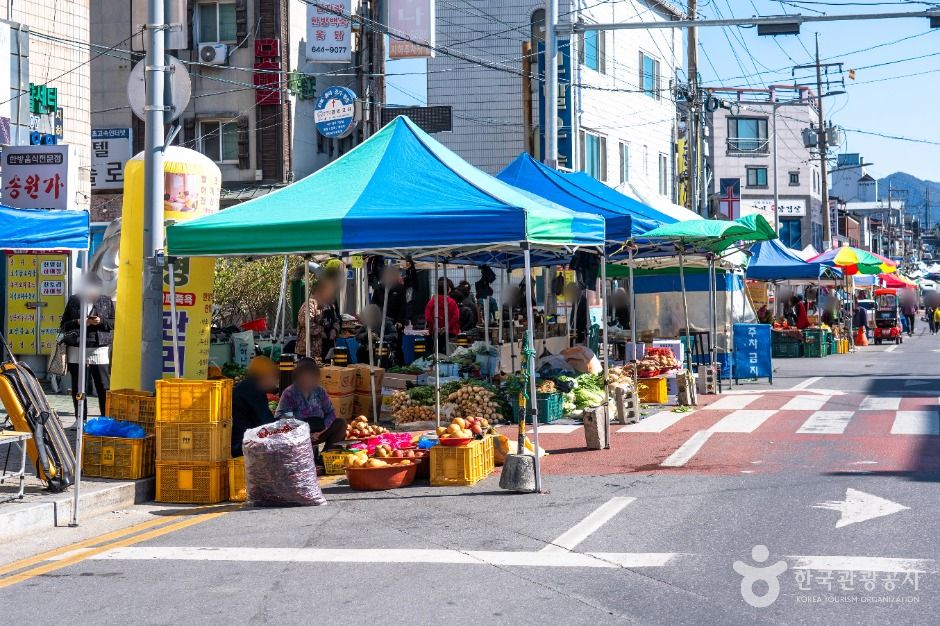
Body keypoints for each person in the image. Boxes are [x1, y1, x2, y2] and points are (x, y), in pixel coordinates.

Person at [59, 276, 113, 418]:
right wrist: (79, 322)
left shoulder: (106, 300)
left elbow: (113, 322)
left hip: (99, 347)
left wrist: (101, 321)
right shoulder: (74, 300)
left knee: (103, 385)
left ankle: (105, 418)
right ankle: (80, 418)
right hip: (76, 347)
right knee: (78, 385)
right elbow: (64, 325)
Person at [275, 359, 347, 451]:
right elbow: (284, 417)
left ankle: (327, 454)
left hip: (319, 431)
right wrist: (306, 433)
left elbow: (330, 412)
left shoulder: (320, 391)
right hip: (297, 434)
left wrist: (321, 432)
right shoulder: (289, 393)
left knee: (341, 423)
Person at [231, 356, 279, 457]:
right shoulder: (253, 391)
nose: (274, 381)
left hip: (241, 442)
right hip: (243, 446)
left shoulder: (246, 387)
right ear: (266, 375)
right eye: (273, 376)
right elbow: (266, 423)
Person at [297, 277, 341, 361]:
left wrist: (334, 330)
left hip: (325, 350)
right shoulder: (309, 305)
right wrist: (321, 331)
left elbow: (336, 320)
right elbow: (307, 323)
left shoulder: (328, 305)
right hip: (309, 352)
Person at [424, 277, 460, 345]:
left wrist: (434, 326)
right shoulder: (452, 302)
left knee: (436, 348)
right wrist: (447, 326)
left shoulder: (432, 302)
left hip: (435, 332)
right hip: (450, 332)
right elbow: (456, 316)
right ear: (448, 290)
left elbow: (428, 317)